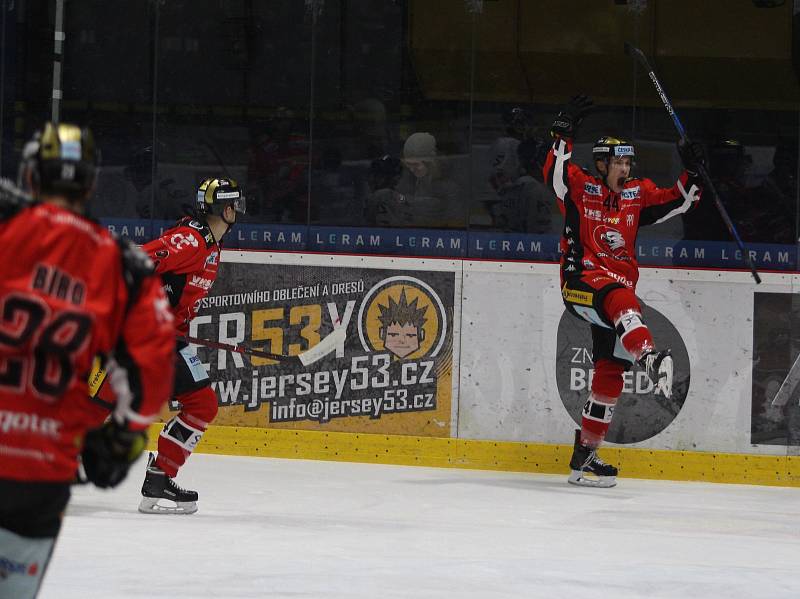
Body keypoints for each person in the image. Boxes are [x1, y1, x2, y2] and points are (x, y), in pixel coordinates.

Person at [0, 122, 175, 599]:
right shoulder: (121, 266)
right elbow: (153, 373)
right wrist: (120, 442)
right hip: (39, 473)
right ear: (92, 183)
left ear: (31, 178)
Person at [543, 96, 705, 488]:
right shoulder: (581, 189)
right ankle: (649, 359)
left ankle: (584, 459)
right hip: (582, 284)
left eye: (629, 162)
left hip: (616, 295)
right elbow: (555, 176)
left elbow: (679, 200)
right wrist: (562, 135)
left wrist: (693, 167)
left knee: (611, 372)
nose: (626, 168)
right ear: (601, 164)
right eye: (619, 162)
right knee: (621, 297)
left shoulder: (637, 194)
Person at [137, 177, 245, 513]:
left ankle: (159, 478)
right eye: (236, 205)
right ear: (227, 209)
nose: (239, 211)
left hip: (167, 338)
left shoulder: (212, 243)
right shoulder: (191, 241)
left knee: (201, 404)